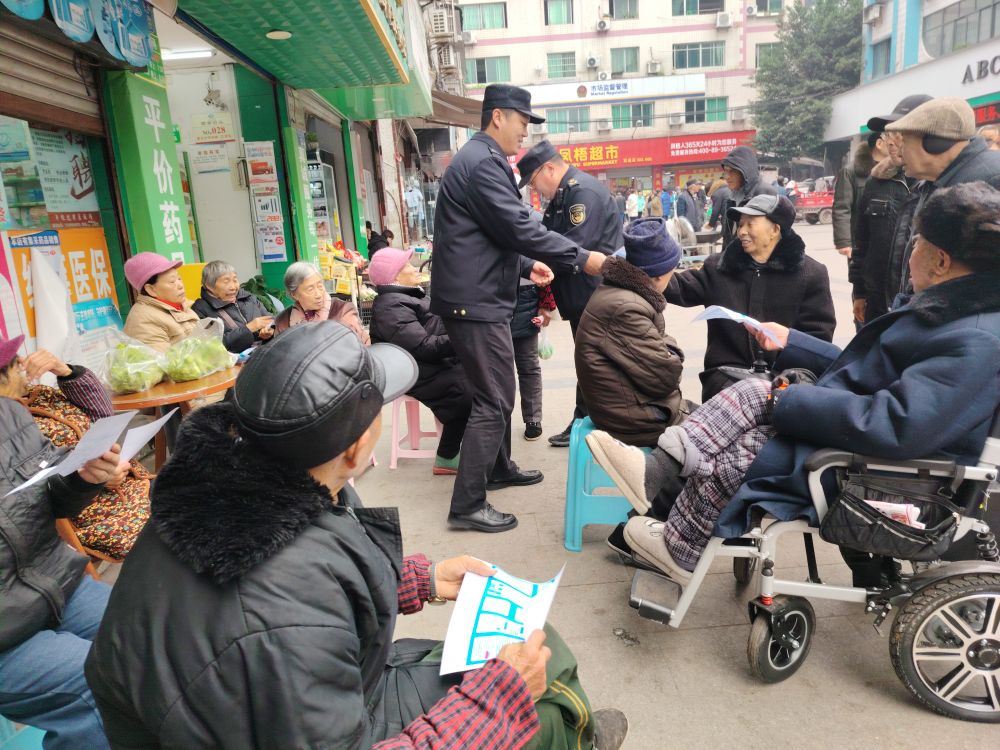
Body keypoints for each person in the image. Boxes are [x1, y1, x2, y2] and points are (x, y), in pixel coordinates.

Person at [85, 322, 629, 750]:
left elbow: (305, 595)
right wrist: (496, 702)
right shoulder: (282, 615)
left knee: (536, 643)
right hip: (310, 721)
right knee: (538, 701)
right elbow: (292, 619)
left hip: (276, 708)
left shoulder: (223, 488)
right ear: (356, 447)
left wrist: (418, 579)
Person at [586, 182, 1000, 584]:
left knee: (746, 435)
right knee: (745, 412)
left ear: (941, 261)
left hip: (882, 470)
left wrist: (790, 399)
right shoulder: (945, 314)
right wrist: (792, 343)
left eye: (918, 243)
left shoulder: (973, 339)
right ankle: (668, 510)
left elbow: (897, 423)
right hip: (840, 427)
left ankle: (676, 533)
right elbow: (864, 367)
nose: (910, 252)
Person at [429, 84, 606, 533]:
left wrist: (528, 265)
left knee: (497, 391)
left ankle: (498, 467)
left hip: (479, 295)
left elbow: (493, 233)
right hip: (474, 301)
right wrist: (582, 258)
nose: (525, 133)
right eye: (522, 123)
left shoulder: (481, 159)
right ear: (498, 117)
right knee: (494, 398)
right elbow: (517, 225)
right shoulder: (482, 163)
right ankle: (467, 504)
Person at [0, 333, 126, 750]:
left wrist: (85, 478)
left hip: (58, 584)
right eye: (13, 365)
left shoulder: (11, 416)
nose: (23, 371)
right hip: (7, 631)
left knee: (150, 630)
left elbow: (51, 494)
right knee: (95, 686)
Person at [665, 194, 836, 402]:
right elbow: (678, 287)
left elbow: (818, 339)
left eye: (750, 224)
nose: (741, 231)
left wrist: (787, 373)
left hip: (786, 382)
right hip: (726, 379)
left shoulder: (811, 273)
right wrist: (649, 267)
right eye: (740, 224)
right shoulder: (719, 268)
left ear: (775, 229)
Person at [515, 141, 622, 447]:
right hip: (581, 297)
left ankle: (593, 425)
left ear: (549, 169)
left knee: (595, 362)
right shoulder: (564, 195)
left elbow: (572, 247)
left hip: (595, 296)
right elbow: (546, 240)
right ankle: (585, 423)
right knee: (589, 361)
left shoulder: (581, 194)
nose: (534, 190)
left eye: (534, 182)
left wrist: (537, 265)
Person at [0, 341, 150, 560]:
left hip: (124, 482)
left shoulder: (39, 394)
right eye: (15, 362)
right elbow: (28, 491)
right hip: (90, 510)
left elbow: (103, 415)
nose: (23, 362)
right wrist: (92, 479)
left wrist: (66, 372)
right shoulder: (11, 427)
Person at [575, 218, 687, 448]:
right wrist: (672, 351)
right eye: (672, 270)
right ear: (658, 275)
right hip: (636, 421)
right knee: (719, 433)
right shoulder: (627, 308)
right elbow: (665, 379)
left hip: (626, 408)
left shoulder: (621, 292)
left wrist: (663, 346)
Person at [883, 97, 1000, 302]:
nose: (899, 152)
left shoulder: (992, 179)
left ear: (935, 142)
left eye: (905, 141)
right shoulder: (931, 183)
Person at [368, 247, 471, 476]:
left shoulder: (410, 295)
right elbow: (423, 347)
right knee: (467, 391)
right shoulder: (391, 306)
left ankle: (473, 445)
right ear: (394, 277)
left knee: (482, 378)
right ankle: (447, 456)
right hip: (411, 370)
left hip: (427, 362)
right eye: (407, 265)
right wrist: (463, 338)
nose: (414, 268)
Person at [849, 130, 915, 324]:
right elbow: (862, 241)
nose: (891, 143)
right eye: (887, 137)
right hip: (877, 297)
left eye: (897, 135)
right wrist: (859, 292)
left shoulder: (933, 182)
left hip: (918, 298)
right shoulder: (876, 181)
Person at [273, 261, 370, 344]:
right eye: (310, 289)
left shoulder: (342, 310)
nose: (319, 294)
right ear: (294, 294)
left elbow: (360, 347)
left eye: (320, 286)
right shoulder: (283, 321)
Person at [192, 260, 274, 353]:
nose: (233, 287)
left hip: (263, 353)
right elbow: (211, 346)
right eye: (226, 282)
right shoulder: (200, 309)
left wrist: (270, 330)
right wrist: (248, 329)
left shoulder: (249, 298)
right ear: (209, 286)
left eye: (235, 280)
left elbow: (271, 320)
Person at [122, 252, 199, 352]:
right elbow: (161, 360)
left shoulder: (182, 305)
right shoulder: (144, 321)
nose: (180, 285)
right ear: (151, 289)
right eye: (172, 281)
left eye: (179, 278)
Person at [510, 278, 554, 441]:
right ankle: (495, 418)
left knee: (529, 367)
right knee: (497, 369)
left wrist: (545, 304)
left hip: (527, 297)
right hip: (493, 299)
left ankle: (533, 419)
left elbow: (544, 271)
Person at [718, 146, 777, 250]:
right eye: (725, 171)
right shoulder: (732, 197)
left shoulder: (765, 193)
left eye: (732, 171)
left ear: (745, 172)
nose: (727, 177)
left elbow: (774, 238)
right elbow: (728, 237)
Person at [831, 140, 874, 260]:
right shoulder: (850, 171)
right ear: (879, 144)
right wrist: (843, 241)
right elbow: (842, 207)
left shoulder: (895, 169)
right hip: (860, 240)